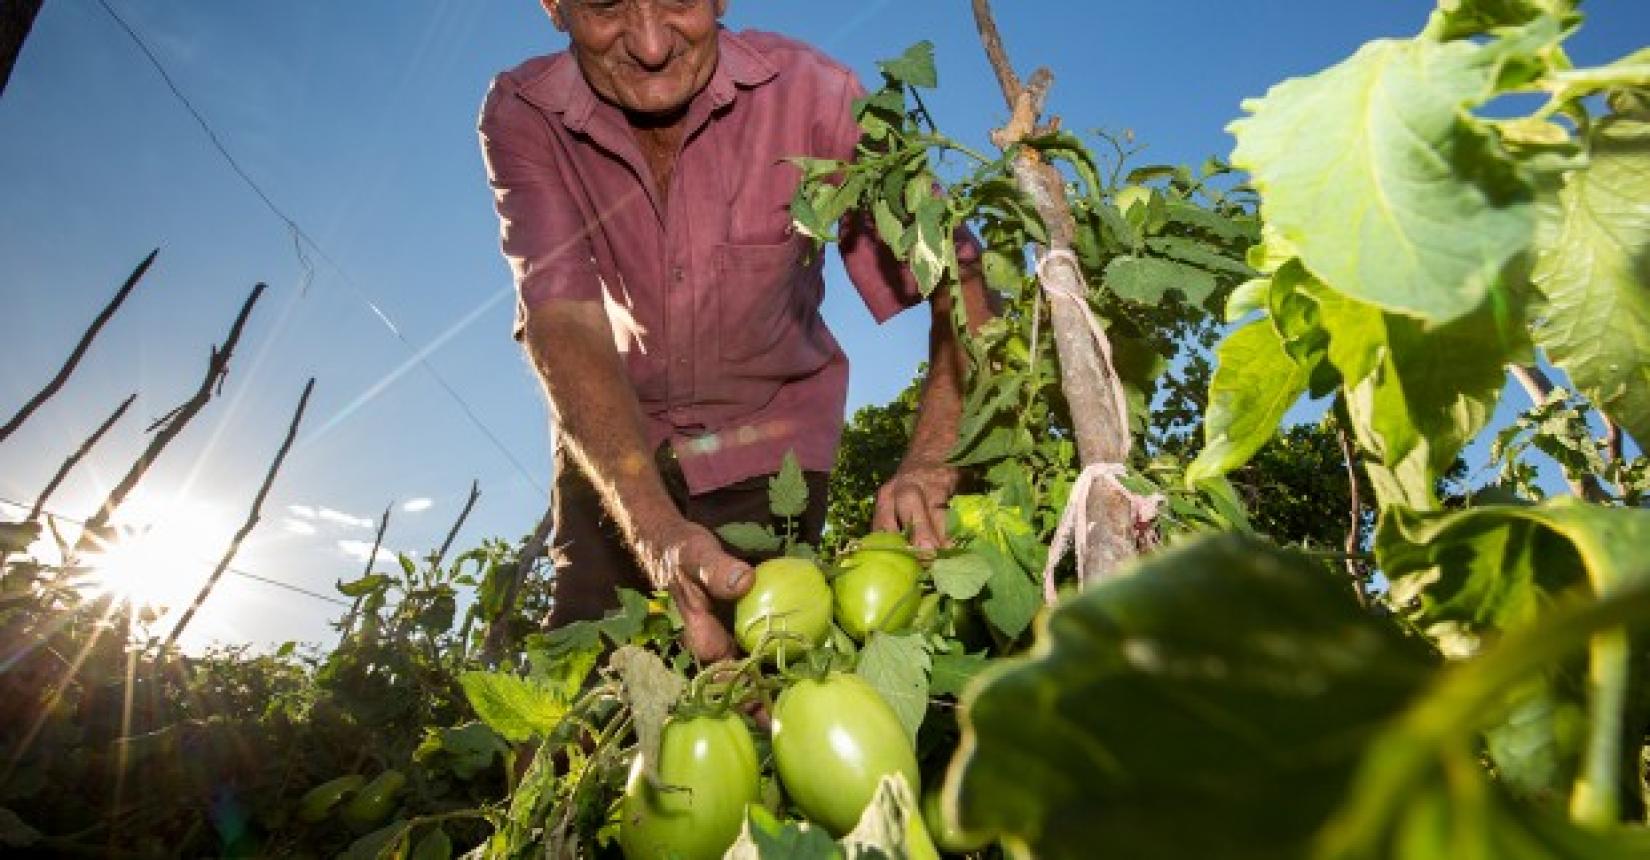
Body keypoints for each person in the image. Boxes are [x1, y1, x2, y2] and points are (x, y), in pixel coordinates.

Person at [479, 0, 990, 664]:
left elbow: (961, 277)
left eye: (679, 0)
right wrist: (656, 531)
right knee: (579, 682)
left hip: (770, 443)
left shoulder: (817, 95)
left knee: (763, 670)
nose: (653, 45)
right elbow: (563, 319)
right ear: (553, 6)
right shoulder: (524, 112)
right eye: (606, 6)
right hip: (616, 436)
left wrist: (932, 460)